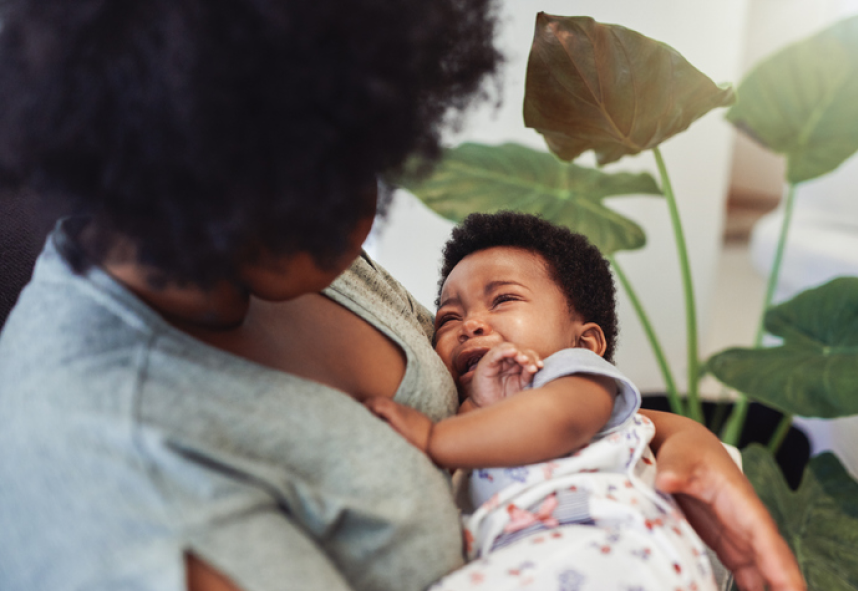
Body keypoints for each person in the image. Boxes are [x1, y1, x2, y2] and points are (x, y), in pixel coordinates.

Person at [0, 2, 804, 591]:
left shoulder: (266, 252)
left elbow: (499, 398)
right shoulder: (118, 487)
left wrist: (673, 440)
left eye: (364, 152)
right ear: (187, 166)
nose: (365, 203)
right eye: (317, 176)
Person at [365, 212, 718, 590]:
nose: (470, 325)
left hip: (609, 547)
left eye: (502, 299)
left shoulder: (572, 373)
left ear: (584, 342)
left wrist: (434, 440)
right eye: (449, 318)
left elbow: (558, 420)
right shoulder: (462, 417)